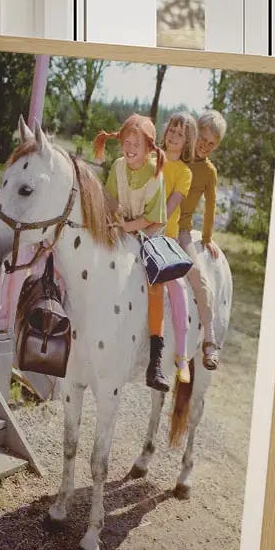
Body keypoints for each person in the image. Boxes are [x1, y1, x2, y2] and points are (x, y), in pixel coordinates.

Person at [93, 115, 171, 392]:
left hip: (149, 230)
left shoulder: (155, 173)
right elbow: (111, 201)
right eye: (126, 142)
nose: (130, 148)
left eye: (136, 144)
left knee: (156, 284)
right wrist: (116, 223)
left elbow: (151, 218)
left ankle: (156, 359)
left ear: (149, 148)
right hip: (123, 224)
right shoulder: (117, 166)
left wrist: (127, 227)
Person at [174, 110, 226, 369]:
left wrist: (206, 238)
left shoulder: (209, 172)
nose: (205, 146)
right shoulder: (178, 155)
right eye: (203, 139)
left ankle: (209, 337)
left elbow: (210, 207)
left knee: (199, 278)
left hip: (181, 231)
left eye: (211, 144)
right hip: (157, 224)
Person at [160, 112, 198, 384]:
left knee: (178, 287)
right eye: (171, 130)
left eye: (180, 134)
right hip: (136, 229)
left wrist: (149, 224)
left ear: (187, 142)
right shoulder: (151, 159)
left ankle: (182, 355)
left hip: (164, 238)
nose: (173, 136)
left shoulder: (184, 173)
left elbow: (170, 207)